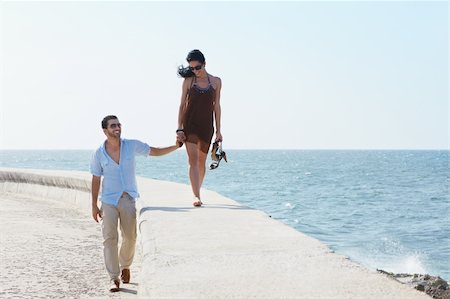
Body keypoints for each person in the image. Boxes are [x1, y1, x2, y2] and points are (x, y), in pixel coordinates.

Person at [90, 115, 180, 292]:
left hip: (128, 199)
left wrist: (175, 146)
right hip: (108, 200)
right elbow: (95, 179)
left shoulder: (131, 146)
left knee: (130, 237)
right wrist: (93, 204)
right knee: (109, 239)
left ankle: (125, 265)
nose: (117, 127)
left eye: (118, 124)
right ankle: (114, 278)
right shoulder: (98, 153)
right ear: (105, 130)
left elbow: (154, 151)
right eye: (113, 125)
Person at [176, 49, 223, 207]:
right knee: (193, 160)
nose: (195, 71)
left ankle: (197, 189)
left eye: (198, 67)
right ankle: (196, 196)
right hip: (190, 124)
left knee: (201, 162)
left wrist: (218, 130)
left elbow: (217, 107)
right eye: (192, 68)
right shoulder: (189, 81)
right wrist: (179, 128)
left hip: (207, 126)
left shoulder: (216, 82)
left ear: (204, 64)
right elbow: (182, 105)